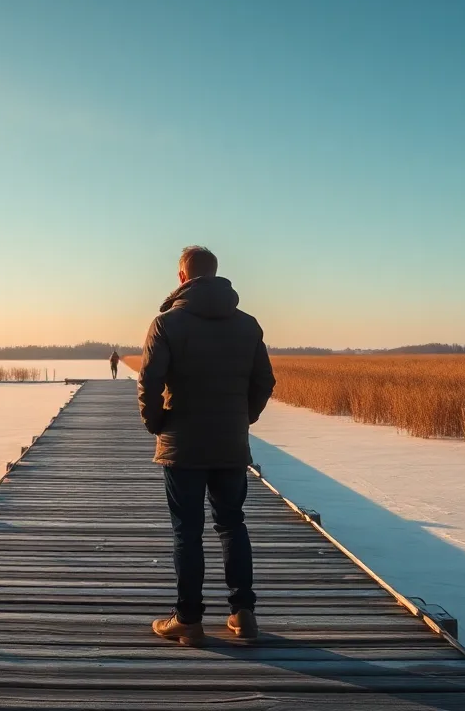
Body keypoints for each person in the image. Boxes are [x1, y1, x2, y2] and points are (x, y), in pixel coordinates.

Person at [138, 246, 275, 646]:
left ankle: (188, 621)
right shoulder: (248, 324)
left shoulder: (167, 323)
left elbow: (148, 382)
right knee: (232, 524)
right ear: (215, 275)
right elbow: (264, 381)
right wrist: (242, 418)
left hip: (183, 443)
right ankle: (243, 614)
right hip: (230, 443)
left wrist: (157, 423)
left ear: (182, 277)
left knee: (188, 531)